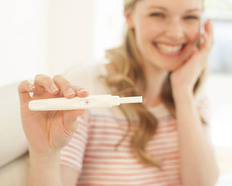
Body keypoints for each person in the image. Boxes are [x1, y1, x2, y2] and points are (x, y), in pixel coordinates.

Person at [18, 0, 219, 185]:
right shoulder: (85, 88)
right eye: (158, 14)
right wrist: (44, 156)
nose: (176, 32)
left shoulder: (193, 95)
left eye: (190, 17)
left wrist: (183, 92)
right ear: (130, 16)